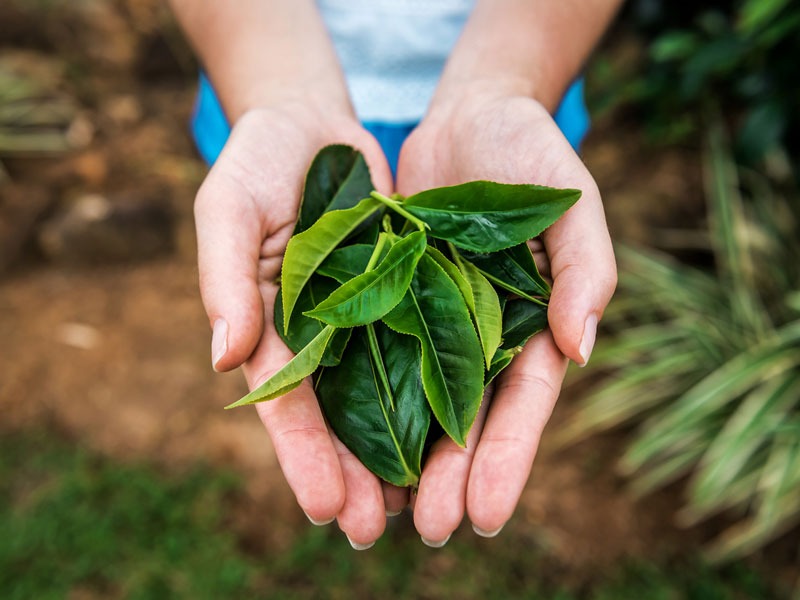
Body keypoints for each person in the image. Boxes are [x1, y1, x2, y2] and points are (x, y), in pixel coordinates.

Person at [169, 0, 620, 550]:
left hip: (516, 73)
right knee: (280, 249)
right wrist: (279, 96)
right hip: (264, 68)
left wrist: (501, 86)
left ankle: (410, 470)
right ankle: (405, 470)